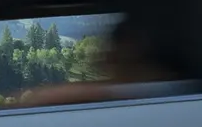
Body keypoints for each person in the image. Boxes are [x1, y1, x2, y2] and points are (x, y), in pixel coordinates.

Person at [14, 12, 188, 108]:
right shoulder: (167, 93)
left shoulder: (171, 93)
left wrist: (27, 101)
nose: (104, 58)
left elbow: (98, 92)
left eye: (112, 51)